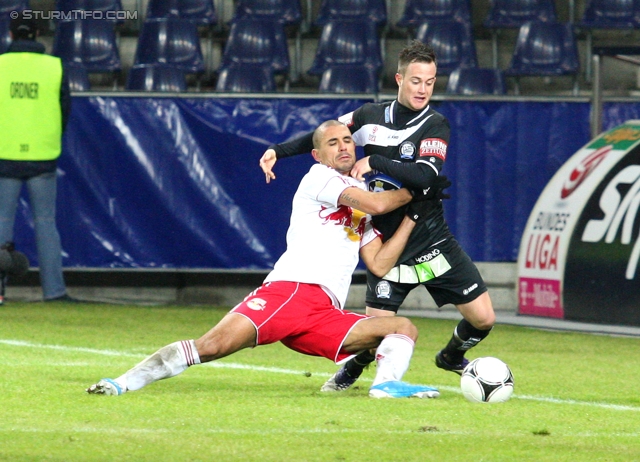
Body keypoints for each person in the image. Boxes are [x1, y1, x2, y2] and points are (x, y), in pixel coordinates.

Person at [87, 120, 446, 399]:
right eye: (332, 143)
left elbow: (380, 264)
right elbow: (380, 204)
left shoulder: (359, 196)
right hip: (292, 292)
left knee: (402, 328)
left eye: (348, 140)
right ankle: (121, 383)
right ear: (317, 154)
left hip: (323, 312)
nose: (342, 147)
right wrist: (416, 189)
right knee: (211, 346)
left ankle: (385, 386)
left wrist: (414, 216)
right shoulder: (320, 178)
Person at [259, 40, 496, 392]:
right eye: (416, 81)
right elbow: (323, 134)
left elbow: (425, 177)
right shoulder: (369, 116)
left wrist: (375, 161)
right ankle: (349, 374)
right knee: (375, 336)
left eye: (430, 82)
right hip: (387, 242)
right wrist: (279, 151)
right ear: (399, 79)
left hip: (431, 240)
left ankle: (449, 357)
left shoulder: (435, 124)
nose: (423, 89)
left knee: (484, 319)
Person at [0, 13, 75, 302]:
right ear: (37, 33)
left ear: (11, 34)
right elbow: (64, 109)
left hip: (4, 155)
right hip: (43, 156)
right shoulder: (54, 66)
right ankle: (54, 292)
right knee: (45, 222)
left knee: (2, 222)